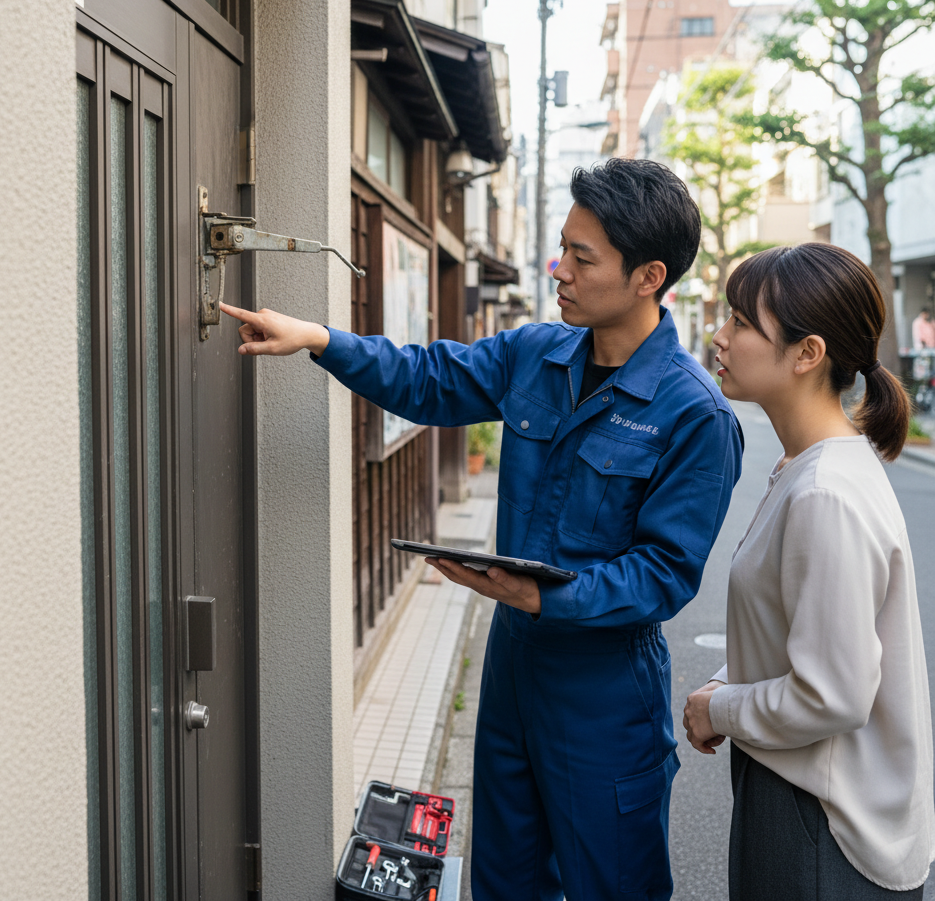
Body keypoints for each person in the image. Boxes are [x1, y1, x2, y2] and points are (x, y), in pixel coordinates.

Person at [221, 158, 744, 901]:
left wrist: (540, 598)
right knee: (505, 882)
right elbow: (427, 376)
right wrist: (319, 339)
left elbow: (664, 574)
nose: (558, 269)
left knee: (611, 886)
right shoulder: (536, 352)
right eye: (561, 246)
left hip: (604, 696)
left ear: (647, 275)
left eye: (581, 257)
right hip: (511, 674)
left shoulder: (695, 414)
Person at [683, 243, 934, 900]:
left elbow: (833, 694)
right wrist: (724, 687)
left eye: (741, 322)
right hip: (807, 793)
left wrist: (721, 709)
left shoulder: (824, 491)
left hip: (820, 819)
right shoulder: (818, 468)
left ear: (807, 353)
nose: (721, 336)